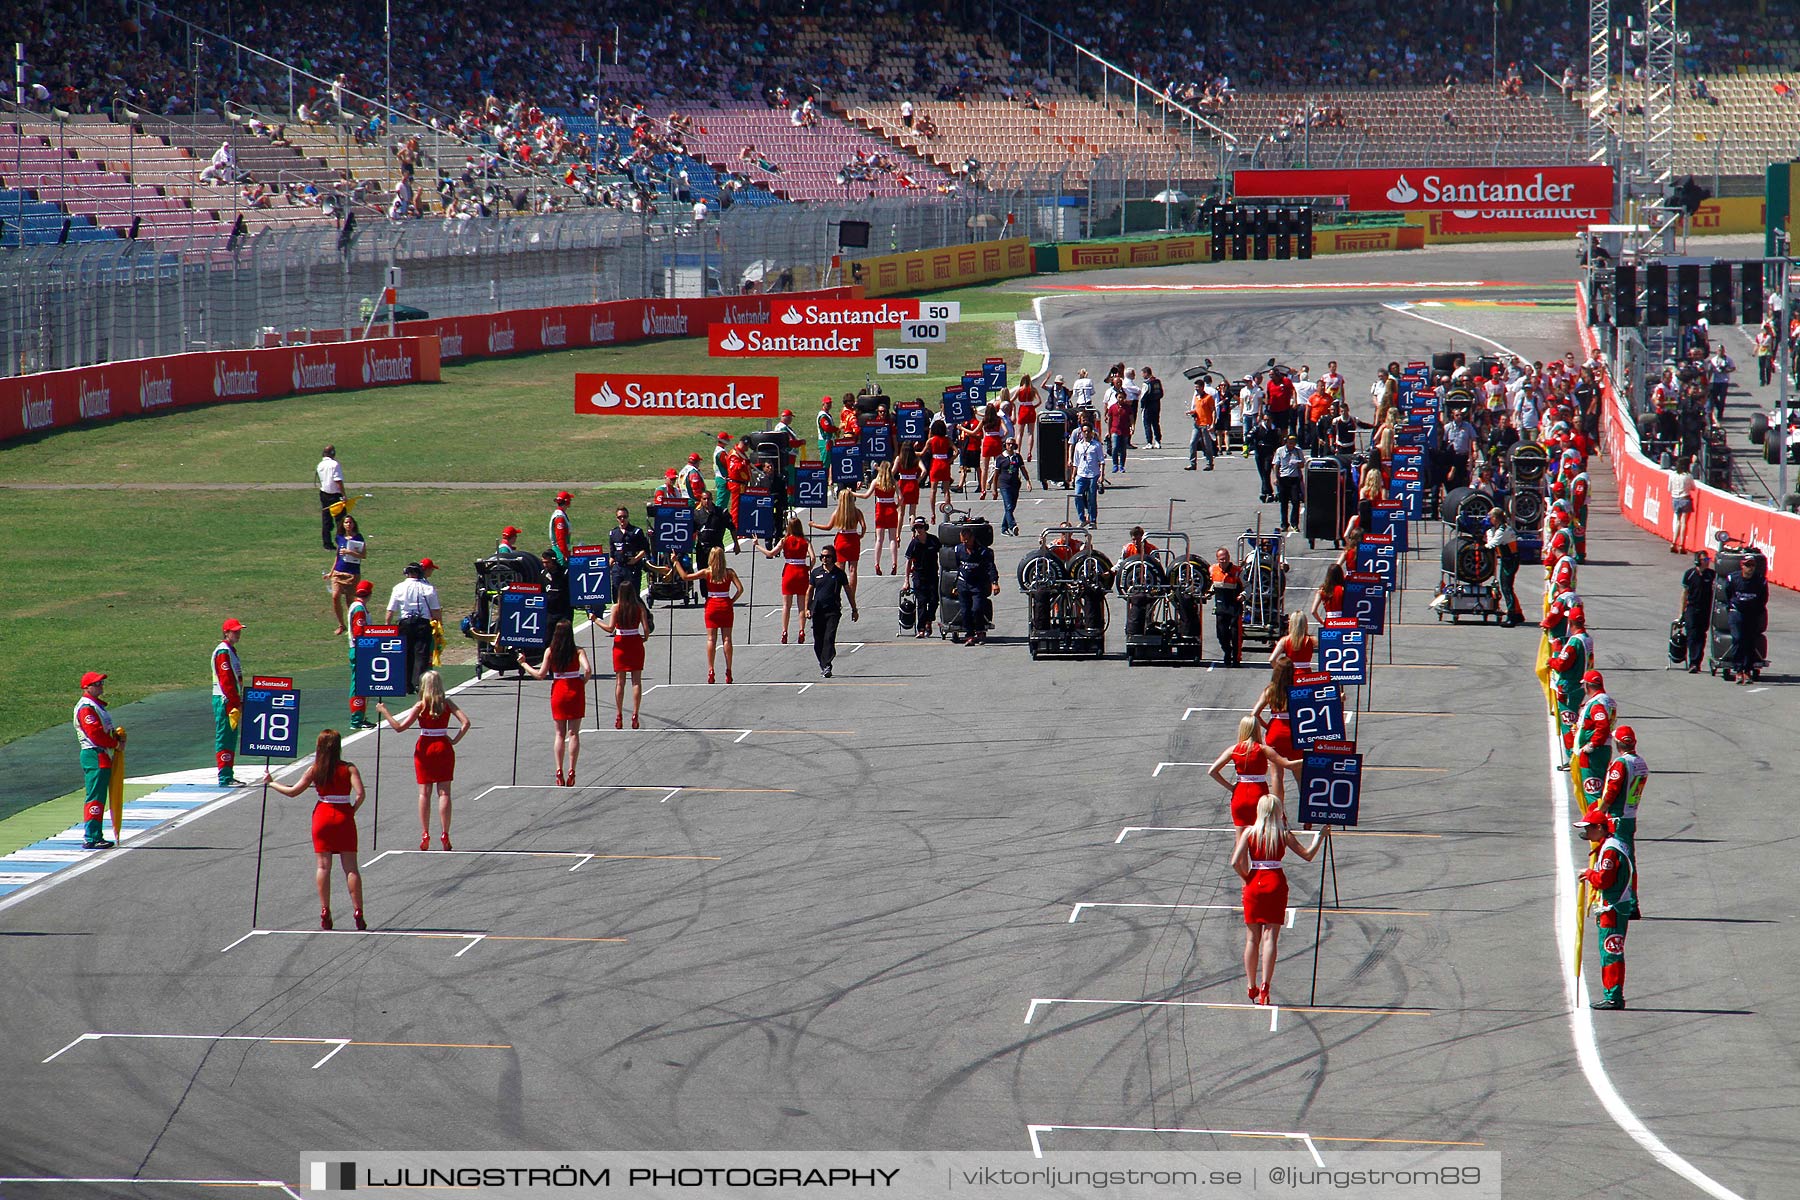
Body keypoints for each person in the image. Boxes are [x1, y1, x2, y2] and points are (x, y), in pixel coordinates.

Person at [263, 730, 368, 930]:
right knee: (351, 868)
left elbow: (293, 792)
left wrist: (272, 783)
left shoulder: (315, 770)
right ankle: (358, 910)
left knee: (323, 867)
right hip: (344, 815)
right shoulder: (349, 768)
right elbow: (361, 794)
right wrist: (351, 811)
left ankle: (325, 910)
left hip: (322, 815)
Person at [1232, 793, 1323, 1004]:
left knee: (1252, 938)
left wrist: (1247, 878)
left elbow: (1235, 862)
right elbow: (1307, 855)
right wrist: (1320, 837)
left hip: (1255, 883)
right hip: (1275, 883)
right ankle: (1265, 985)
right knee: (1270, 937)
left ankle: (1250, 984)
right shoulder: (1283, 834)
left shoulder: (1249, 833)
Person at [376, 670, 470, 850]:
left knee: (424, 793)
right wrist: (454, 740)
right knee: (444, 793)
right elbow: (466, 722)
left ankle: (425, 832)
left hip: (425, 747)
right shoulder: (446, 703)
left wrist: (384, 711)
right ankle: (445, 833)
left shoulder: (420, 706)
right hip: (443, 746)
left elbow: (399, 727)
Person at [1575, 804, 1638, 1010]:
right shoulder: (1614, 844)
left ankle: (1613, 996)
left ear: (1600, 828)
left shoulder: (1610, 850)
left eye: (1589, 828)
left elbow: (1604, 880)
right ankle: (1611, 993)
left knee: (1611, 951)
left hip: (1613, 908)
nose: (1587, 833)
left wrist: (1588, 873)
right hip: (1616, 906)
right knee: (1610, 951)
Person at [521, 619, 592, 782]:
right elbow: (587, 669)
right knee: (573, 733)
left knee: (559, 733)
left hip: (559, 690)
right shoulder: (578, 651)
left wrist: (524, 665)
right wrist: (583, 681)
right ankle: (572, 770)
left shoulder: (550, 651)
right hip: (575, 689)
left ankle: (559, 769)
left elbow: (540, 675)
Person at [671, 547, 744, 683]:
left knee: (711, 639)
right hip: (725, 604)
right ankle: (728, 670)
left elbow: (685, 577)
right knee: (727, 639)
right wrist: (731, 601)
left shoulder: (707, 572)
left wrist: (676, 562)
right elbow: (740, 589)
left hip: (712, 605)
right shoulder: (729, 573)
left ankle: (711, 670)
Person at [73, 670, 122, 849]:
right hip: (94, 754)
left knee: (99, 796)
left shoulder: (96, 705)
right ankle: (92, 836)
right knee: (95, 796)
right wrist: (114, 744)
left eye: (101, 683)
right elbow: (94, 733)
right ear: (87, 687)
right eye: (97, 684)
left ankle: (95, 834)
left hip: (100, 753)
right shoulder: (86, 707)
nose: (101, 686)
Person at [1208, 715, 1283, 827]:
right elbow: (1288, 764)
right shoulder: (1263, 749)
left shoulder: (1233, 749)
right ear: (1257, 729)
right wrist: (1307, 759)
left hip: (1240, 795)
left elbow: (1212, 771)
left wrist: (1231, 787)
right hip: (1259, 795)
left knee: (1240, 840)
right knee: (1260, 836)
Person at [385, 562, 441, 694]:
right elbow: (436, 610)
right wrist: (439, 626)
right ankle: (419, 683)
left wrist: (387, 626)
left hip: (404, 623)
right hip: (422, 623)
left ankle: (406, 684)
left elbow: (390, 610)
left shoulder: (398, 587)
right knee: (421, 654)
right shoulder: (428, 588)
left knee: (406, 653)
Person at [596, 591, 649, 728]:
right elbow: (646, 629)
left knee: (620, 682)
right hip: (635, 642)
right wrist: (644, 638)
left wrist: (595, 619)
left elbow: (610, 628)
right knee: (636, 681)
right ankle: (635, 714)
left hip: (621, 644)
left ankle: (619, 714)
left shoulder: (616, 608)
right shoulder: (639, 608)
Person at [1251, 656, 1303, 791]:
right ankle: (1305, 807)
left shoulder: (1270, 690)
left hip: (1275, 732)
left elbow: (1255, 714)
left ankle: (1278, 811)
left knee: (1276, 775)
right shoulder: (1299, 688)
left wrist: (1267, 726)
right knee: (1299, 774)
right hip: (1295, 732)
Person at [807, 545, 859, 677]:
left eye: (828, 556)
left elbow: (848, 591)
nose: (825, 558)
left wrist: (854, 609)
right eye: (823, 556)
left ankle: (827, 665)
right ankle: (823, 664)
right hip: (817, 610)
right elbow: (810, 591)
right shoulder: (815, 572)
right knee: (818, 640)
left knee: (829, 638)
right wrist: (807, 608)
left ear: (833, 557)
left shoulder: (839, 574)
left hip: (833, 611)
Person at [1599, 725, 1647, 854]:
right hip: (1631, 815)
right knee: (1628, 854)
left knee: (1618, 855)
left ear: (1618, 743)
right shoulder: (1641, 762)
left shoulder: (1621, 763)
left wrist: (1600, 811)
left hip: (1617, 817)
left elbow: (1612, 791)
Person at [811, 489, 867, 598]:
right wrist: (861, 535)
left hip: (841, 539)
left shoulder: (837, 512)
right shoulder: (856, 511)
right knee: (853, 569)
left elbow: (828, 527)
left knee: (839, 569)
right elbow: (864, 526)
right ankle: (852, 594)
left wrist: (814, 525)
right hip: (853, 539)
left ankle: (836, 592)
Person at [1571, 669, 1616, 804]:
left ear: (1587, 685)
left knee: (1592, 792)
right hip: (1604, 749)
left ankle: (1596, 823)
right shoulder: (1609, 701)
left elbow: (1602, 726)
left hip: (1594, 753)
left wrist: (1592, 744)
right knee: (1599, 788)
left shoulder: (1597, 704)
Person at [1722, 550, 1768, 683]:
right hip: (1737, 612)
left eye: (1752, 565)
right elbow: (1727, 593)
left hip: (1752, 614)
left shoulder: (1760, 581)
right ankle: (1738, 669)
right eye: (1748, 565)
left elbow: (1763, 598)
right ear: (1742, 566)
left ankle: (1747, 670)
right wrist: (1731, 606)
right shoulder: (1733, 578)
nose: (1750, 568)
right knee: (1738, 639)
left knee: (1749, 641)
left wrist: (1757, 610)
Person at [211, 618, 246, 787]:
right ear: (226, 632)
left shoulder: (231, 650)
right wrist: (234, 701)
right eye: (235, 631)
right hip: (224, 700)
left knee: (230, 737)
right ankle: (224, 777)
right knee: (225, 737)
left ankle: (228, 774)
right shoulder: (223, 652)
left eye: (239, 631)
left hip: (230, 699)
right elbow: (226, 681)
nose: (238, 634)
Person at [953, 526, 1000, 646]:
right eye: (962, 540)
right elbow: (958, 567)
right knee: (965, 611)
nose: (965, 543)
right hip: (963, 583)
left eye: (967, 540)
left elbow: (991, 567)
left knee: (977, 609)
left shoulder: (983, 551)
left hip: (977, 584)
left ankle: (980, 631)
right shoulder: (958, 550)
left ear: (972, 538)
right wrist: (955, 585)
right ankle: (969, 635)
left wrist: (994, 582)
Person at [326, 513, 368, 634]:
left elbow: (363, 555)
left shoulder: (358, 538)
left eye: (350, 522)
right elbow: (337, 556)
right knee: (335, 596)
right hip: (339, 571)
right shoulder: (340, 537)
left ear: (353, 524)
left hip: (352, 573)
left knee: (350, 601)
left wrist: (350, 552)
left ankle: (352, 626)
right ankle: (341, 624)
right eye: (346, 522)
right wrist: (331, 572)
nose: (348, 524)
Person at [857, 462, 902, 574]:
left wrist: (853, 493)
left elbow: (866, 495)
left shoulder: (876, 482)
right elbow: (901, 497)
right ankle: (894, 563)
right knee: (892, 538)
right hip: (891, 508)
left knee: (879, 539)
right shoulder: (893, 482)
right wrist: (896, 505)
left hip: (880, 509)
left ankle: (877, 563)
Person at [344, 579, 376, 730]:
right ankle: (356, 719)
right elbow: (359, 633)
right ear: (369, 594)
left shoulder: (357, 607)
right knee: (359, 686)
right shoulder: (359, 609)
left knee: (361, 685)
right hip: (360, 650)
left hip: (358, 649)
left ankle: (360, 717)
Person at [904, 517, 941, 638]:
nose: (919, 529)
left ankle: (929, 621)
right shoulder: (914, 543)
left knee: (934, 600)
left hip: (932, 575)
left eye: (921, 527)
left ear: (925, 527)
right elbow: (908, 562)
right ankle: (921, 628)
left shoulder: (933, 540)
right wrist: (906, 581)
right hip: (919, 576)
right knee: (922, 602)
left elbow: (944, 551)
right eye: (916, 527)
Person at [1486, 508, 1524, 626]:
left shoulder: (1503, 530)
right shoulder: (1497, 529)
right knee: (1507, 587)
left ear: (1496, 518)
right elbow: (1491, 538)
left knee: (1507, 588)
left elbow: (1493, 543)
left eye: (1490, 517)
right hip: (1506, 560)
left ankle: (1512, 615)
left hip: (1510, 560)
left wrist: (1483, 546)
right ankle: (1518, 614)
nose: (1489, 520)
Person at [1678, 551, 1714, 673]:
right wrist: (1681, 613)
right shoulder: (1690, 574)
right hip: (1692, 608)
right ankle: (1693, 662)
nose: (1707, 561)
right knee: (1692, 635)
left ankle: (1697, 661)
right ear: (1698, 561)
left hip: (1706, 609)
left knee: (1701, 635)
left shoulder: (1712, 575)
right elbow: (1684, 594)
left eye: (1708, 559)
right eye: (1705, 559)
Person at [608, 505, 652, 600]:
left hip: (632, 568)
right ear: (617, 519)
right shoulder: (613, 533)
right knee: (616, 596)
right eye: (620, 517)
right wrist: (608, 567)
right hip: (618, 568)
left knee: (634, 597)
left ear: (628, 517)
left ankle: (643, 614)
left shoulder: (636, 532)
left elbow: (645, 549)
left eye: (624, 517)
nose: (622, 519)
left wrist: (636, 559)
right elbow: (612, 554)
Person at [1211, 547, 1244, 666]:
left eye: (1225, 559)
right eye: (1221, 559)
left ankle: (1236, 659)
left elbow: (1248, 586)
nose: (1223, 561)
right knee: (1221, 634)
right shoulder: (1213, 570)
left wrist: (1243, 596)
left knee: (1236, 636)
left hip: (1234, 608)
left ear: (1229, 558)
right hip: (1220, 608)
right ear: (1217, 559)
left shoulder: (1238, 571)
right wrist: (1207, 593)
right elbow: (1210, 585)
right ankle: (1227, 651)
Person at [993, 437, 1031, 536]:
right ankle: (1012, 525)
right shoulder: (1000, 458)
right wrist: (994, 489)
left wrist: (1028, 481)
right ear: (1005, 445)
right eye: (1008, 444)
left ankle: (1004, 528)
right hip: (1004, 484)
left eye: (1012, 444)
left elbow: (1023, 469)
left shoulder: (1017, 457)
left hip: (1015, 484)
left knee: (1011, 507)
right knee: (1008, 505)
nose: (1010, 446)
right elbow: (996, 474)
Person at [1071, 426, 1105, 528]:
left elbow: (1102, 461)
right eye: (1084, 431)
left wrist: (1101, 475)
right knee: (1078, 496)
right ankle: (1082, 519)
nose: (1086, 433)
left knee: (1091, 499)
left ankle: (1093, 520)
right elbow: (1076, 462)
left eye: (1088, 431)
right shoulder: (1078, 445)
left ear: (1091, 432)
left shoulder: (1096, 445)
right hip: (1081, 474)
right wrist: (1073, 476)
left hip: (1093, 475)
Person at [316, 444, 346, 551]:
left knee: (326, 519)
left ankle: (327, 544)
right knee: (341, 520)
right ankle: (341, 542)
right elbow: (338, 480)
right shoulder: (334, 464)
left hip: (324, 493)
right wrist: (343, 494)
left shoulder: (320, 465)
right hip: (335, 495)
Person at [1273, 435, 1305, 531]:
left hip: (1294, 478)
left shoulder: (1298, 451)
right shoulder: (1280, 451)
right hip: (1283, 478)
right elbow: (1276, 465)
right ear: (1286, 442)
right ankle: (1284, 524)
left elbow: (1302, 464)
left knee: (1295, 501)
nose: (1292, 444)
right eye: (1290, 442)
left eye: (1293, 442)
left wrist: (1296, 463)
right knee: (1284, 502)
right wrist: (1276, 477)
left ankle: (1294, 523)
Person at [1248, 410, 1281, 502]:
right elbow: (1248, 438)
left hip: (1269, 453)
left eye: (1268, 420)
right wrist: (1246, 448)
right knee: (1262, 473)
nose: (1266, 422)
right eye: (1265, 420)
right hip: (1259, 453)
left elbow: (1278, 443)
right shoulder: (1257, 428)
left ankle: (1266, 492)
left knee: (1266, 471)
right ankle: (1267, 492)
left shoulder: (1275, 430)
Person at [924, 421, 955, 517]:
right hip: (944, 463)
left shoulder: (931, 440)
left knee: (933, 490)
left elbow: (922, 453)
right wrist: (951, 459)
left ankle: (933, 513)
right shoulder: (947, 440)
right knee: (946, 490)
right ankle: (947, 511)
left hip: (935, 463)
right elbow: (956, 451)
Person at [1186, 381, 1217, 470]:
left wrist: (1212, 424)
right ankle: (1193, 464)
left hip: (1206, 424)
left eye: (1197, 387)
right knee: (1192, 443)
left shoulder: (1208, 398)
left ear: (1202, 387)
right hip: (1197, 424)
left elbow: (1213, 411)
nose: (1196, 389)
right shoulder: (1196, 397)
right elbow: (1197, 409)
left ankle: (1209, 464)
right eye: (1195, 387)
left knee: (1207, 445)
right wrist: (1191, 412)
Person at [1667, 457, 1695, 552]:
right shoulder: (1688, 476)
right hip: (1685, 498)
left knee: (1678, 521)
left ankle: (1674, 542)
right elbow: (1693, 488)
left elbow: (1669, 488)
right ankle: (1682, 544)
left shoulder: (1672, 475)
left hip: (1675, 499)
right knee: (1684, 523)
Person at [1013, 372, 1039, 459]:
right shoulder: (1033, 389)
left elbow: (1011, 400)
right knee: (1030, 433)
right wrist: (1033, 407)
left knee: (1019, 433)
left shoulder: (1020, 389)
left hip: (1023, 409)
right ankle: (1029, 452)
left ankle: (1018, 451)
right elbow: (1040, 401)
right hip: (1030, 409)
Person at [1139, 366, 1164, 449]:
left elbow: (1143, 396)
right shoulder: (1157, 382)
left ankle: (1149, 442)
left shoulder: (1146, 384)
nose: (1142, 375)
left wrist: (1142, 406)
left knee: (1147, 424)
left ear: (1146, 373)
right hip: (1156, 405)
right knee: (1156, 423)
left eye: (1143, 373)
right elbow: (1161, 394)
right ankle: (1158, 441)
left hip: (1148, 407)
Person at [548, 490, 574, 567]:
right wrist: (565, 554)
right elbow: (560, 537)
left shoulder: (560, 514)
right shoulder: (560, 517)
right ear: (567, 502)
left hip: (561, 549)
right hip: (560, 550)